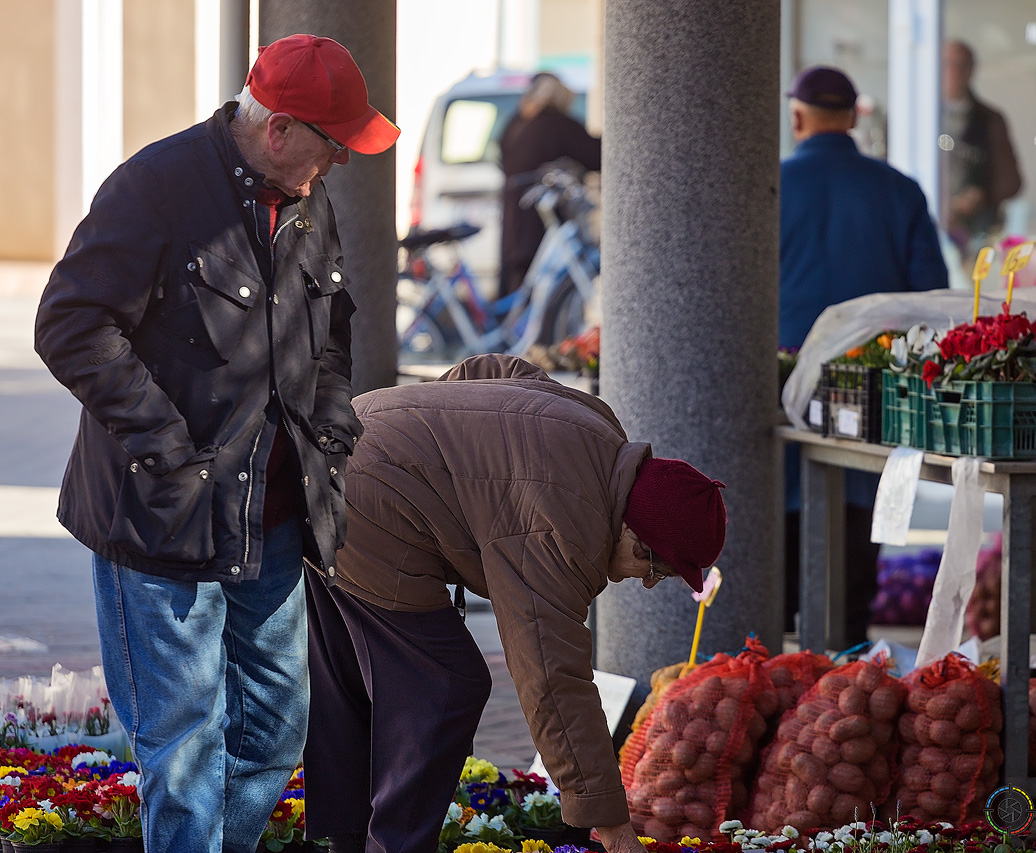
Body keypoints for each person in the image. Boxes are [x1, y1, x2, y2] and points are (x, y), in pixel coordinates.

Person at [33, 34, 398, 853]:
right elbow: (70, 324)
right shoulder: (155, 188)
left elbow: (331, 329)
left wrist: (332, 427)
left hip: (268, 519)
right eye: (332, 143)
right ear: (279, 130)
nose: (339, 161)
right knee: (185, 744)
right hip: (161, 518)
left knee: (273, 727)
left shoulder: (306, 196)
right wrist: (167, 447)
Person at [302, 353, 728, 853]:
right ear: (636, 534)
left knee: (347, 675)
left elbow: (491, 371)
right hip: (369, 499)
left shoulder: (598, 430)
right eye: (657, 568)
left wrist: (438, 448)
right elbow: (552, 677)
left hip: (341, 441)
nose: (650, 584)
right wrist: (613, 831)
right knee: (444, 687)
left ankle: (346, 841)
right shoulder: (571, 529)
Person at [779, 66, 948, 645]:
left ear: (796, 117)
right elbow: (932, 300)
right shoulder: (898, 191)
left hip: (782, 396)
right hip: (870, 400)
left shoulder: (771, 186)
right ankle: (843, 682)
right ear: (855, 118)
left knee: (780, 550)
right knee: (852, 554)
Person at [498, 72, 601, 296]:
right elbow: (596, 154)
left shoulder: (518, 123)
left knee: (519, 288)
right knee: (539, 291)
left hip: (514, 219)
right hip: (539, 221)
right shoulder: (557, 125)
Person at [941, 40, 1023, 258]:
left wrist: (981, 196)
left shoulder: (989, 121)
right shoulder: (912, 117)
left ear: (971, 71)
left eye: (961, 65)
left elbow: (1012, 181)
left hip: (974, 237)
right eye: (947, 64)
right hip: (927, 229)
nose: (953, 72)